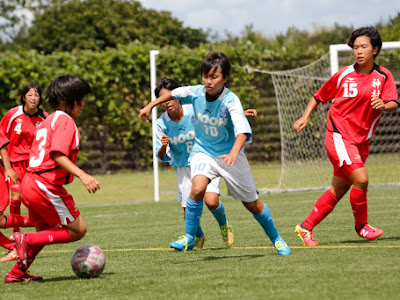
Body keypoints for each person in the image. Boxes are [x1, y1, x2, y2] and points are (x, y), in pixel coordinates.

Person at [140, 51, 290, 255]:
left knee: (252, 204)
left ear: (225, 78)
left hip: (229, 156)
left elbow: (242, 132)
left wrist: (234, 153)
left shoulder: (231, 100)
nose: (208, 81)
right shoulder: (195, 92)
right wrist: (149, 106)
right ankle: (190, 237)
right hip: (203, 152)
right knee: (197, 189)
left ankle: (277, 239)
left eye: (214, 77)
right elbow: (172, 94)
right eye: (205, 76)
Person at [293, 26, 398, 246]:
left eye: (364, 47)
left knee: (339, 190)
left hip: (361, 141)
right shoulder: (344, 74)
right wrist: (305, 117)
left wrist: (384, 105)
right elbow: (319, 96)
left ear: (375, 49)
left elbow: (393, 103)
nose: (358, 51)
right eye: (355, 48)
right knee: (362, 179)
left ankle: (305, 227)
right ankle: (362, 227)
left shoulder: (384, 75)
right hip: (339, 136)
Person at [5, 74, 100, 283]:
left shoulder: (47, 120)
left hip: (30, 182)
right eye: (80, 99)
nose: (83, 103)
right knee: (78, 230)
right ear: (66, 100)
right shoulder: (65, 120)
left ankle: (16, 273)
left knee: (45, 232)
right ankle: (26, 239)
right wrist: (84, 176)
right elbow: (57, 154)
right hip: (44, 185)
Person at [155, 79, 256, 249]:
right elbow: (160, 155)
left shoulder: (193, 110)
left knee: (211, 202)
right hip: (184, 167)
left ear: (178, 97)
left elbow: (215, 116)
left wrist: (240, 114)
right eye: (163, 100)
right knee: (188, 209)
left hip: (205, 159)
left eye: (169, 98)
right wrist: (164, 146)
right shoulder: (161, 124)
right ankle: (198, 236)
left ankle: (224, 225)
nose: (167, 103)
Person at [0, 83, 48, 237]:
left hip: (34, 165)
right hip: (14, 164)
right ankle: (16, 232)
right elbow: (1, 139)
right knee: (16, 197)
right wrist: (7, 167)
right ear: (23, 97)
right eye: (30, 95)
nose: (34, 98)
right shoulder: (13, 114)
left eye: (36, 95)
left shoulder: (45, 118)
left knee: (33, 199)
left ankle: (39, 232)